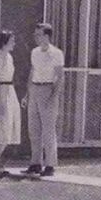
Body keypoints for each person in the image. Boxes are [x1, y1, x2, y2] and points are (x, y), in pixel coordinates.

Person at [24, 22, 64, 176]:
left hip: (48, 89)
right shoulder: (34, 52)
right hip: (35, 88)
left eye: (39, 34)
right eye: (35, 35)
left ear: (47, 36)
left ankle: (50, 164)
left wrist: (54, 97)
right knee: (33, 128)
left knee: (48, 129)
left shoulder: (56, 53)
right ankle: (35, 162)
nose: (36, 37)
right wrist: (28, 94)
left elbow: (60, 77)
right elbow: (32, 72)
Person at [0, 30, 21, 176]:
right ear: (5, 42)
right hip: (0, 93)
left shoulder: (9, 57)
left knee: (9, 127)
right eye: (12, 41)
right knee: (2, 128)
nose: (14, 43)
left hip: (9, 92)